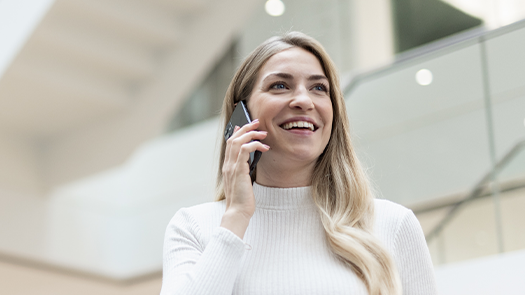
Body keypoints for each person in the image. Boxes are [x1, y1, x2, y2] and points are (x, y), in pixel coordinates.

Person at [160, 32, 437, 295]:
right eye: (280, 85)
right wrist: (236, 217)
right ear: (240, 114)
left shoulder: (392, 224)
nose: (304, 100)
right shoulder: (193, 227)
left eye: (319, 88)